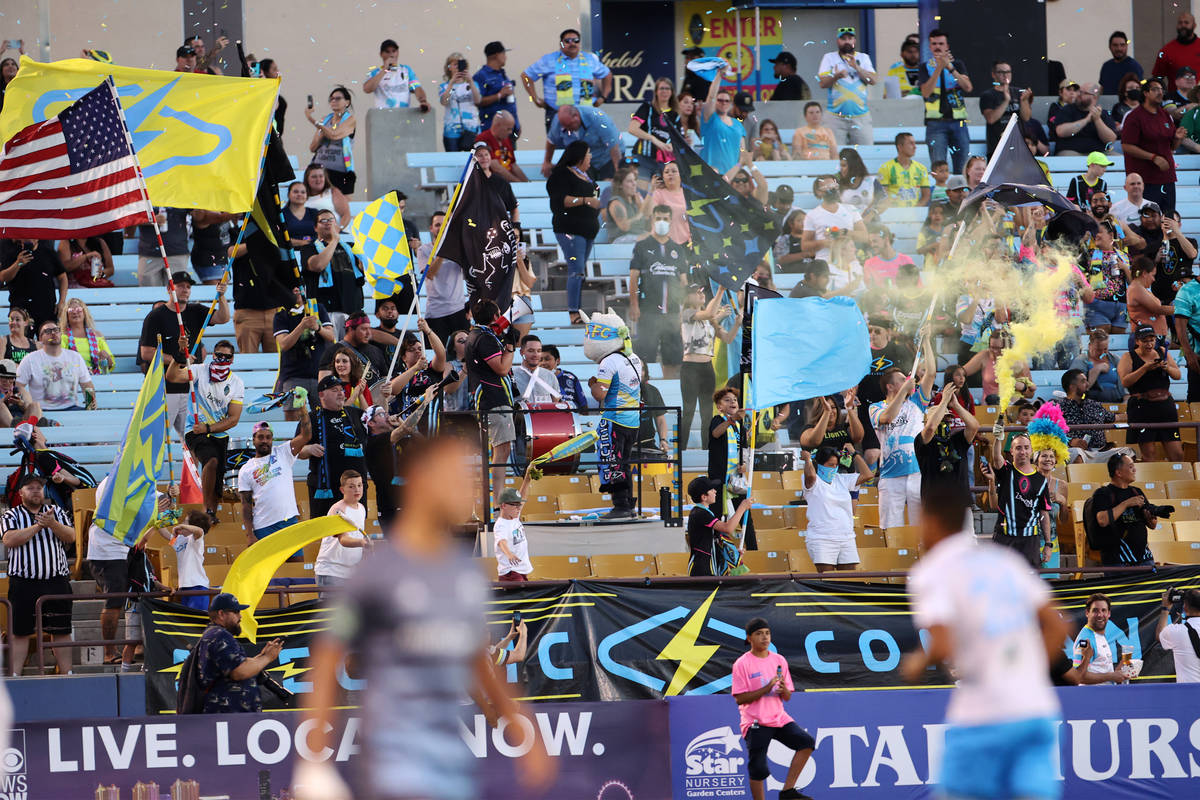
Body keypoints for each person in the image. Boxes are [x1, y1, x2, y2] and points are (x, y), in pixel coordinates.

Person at [292, 433, 554, 800]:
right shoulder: (376, 574)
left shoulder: (463, 574)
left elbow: (477, 657)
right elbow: (328, 658)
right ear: (423, 480)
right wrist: (315, 762)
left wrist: (518, 726)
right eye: (454, 477)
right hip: (392, 760)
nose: (465, 490)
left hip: (452, 761)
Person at [901, 481, 1066, 800]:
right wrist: (1024, 672)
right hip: (1036, 708)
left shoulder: (932, 571)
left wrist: (915, 662)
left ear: (932, 520)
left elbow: (942, 645)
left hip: (983, 713)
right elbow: (1058, 628)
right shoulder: (1004, 561)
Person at [732, 617, 815, 800]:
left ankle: (787, 792)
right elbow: (740, 699)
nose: (764, 637)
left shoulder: (779, 660)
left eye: (767, 633)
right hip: (755, 721)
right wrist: (766, 688)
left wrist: (784, 689)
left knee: (806, 742)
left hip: (778, 718)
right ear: (749, 638)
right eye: (759, 634)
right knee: (758, 769)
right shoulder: (742, 664)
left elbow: (787, 696)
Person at [3, 474, 75, 675]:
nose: (36, 490)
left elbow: (71, 536)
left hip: (56, 580)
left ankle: (67, 673)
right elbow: (9, 540)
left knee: (61, 630)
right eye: (30, 487)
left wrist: (52, 523)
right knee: (20, 632)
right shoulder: (12, 515)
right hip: (24, 582)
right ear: (21, 493)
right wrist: (38, 526)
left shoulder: (56, 512)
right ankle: (15, 674)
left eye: (39, 487)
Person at [138, 273, 222, 435]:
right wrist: (180, 360)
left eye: (188, 286)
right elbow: (146, 353)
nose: (185, 290)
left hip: (192, 388)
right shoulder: (156, 316)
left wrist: (222, 297)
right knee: (158, 437)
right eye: (181, 286)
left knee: (192, 439)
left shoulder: (196, 310)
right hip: (165, 389)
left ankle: (190, 461)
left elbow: (223, 317)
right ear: (170, 289)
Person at [870, 337, 935, 531]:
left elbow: (931, 374)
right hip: (890, 477)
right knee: (890, 527)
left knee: (920, 526)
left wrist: (927, 342)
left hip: (917, 472)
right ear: (890, 386)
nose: (909, 380)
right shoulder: (876, 407)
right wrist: (903, 391)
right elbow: (887, 418)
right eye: (902, 380)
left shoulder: (916, 401)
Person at [177, 340, 244, 520]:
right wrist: (179, 357)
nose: (221, 359)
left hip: (218, 433)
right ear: (213, 355)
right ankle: (206, 508)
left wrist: (209, 427)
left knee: (218, 477)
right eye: (218, 355)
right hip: (195, 430)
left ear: (232, 359)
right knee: (212, 461)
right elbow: (173, 376)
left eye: (226, 357)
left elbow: (233, 418)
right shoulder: (199, 369)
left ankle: (211, 513)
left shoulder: (237, 383)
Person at [192, 593, 284, 713]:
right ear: (221, 614)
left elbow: (234, 665)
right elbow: (239, 672)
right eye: (235, 612)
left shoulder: (215, 634)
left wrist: (261, 656)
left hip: (232, 717)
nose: (240, 616)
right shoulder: (219, 635)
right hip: (230, 717)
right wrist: (267, 658)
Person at [587, 319, 643, 520]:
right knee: (624, 462)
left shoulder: (609, 361)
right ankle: (629, 503)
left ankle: (621, 506)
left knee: (613, 463)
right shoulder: (634, 357)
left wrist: (592, 384)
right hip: (633, 421)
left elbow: (600, 395)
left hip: (615, 419)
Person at [465, 299, 516, 509]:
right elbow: (502, 368)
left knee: (499, 449)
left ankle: (497, 499)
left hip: (488, 398)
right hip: (493, 399)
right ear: (495, 316)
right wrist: (511, 346)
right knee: (501, 449)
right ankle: (498, 501)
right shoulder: (484, 338)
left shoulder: (477, 335)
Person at [237, 413, 313, 550]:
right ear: (253, 440)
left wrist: (302, 409)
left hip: (289, 523)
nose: (264, 441)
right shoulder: (246, 469)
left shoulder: (283, 453)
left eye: (268, 437)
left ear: (272, 439)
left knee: (296, 568)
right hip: (263, 527)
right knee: (270, 571)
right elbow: (246, 506)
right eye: (260, 437)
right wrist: (249, 535)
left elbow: (306, 436)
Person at [629, 205, 688, 379]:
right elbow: (633, 278)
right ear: (652, 219)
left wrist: (683, 309)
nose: (662, 222)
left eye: (665, 218)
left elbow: (684, 282)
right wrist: (634, 305)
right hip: (648, 310)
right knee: (645, 354)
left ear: (671, 220)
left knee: (673, 356)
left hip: (672, 312)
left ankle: (666, 388)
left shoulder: (678, 249)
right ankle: (646, 389)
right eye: (658, 218)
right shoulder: (642, 246)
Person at [983, 424, 1052, 568]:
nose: (1023, 451)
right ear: (1012, 451)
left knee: (1029, 582)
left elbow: (1044, 513)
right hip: (1004, 537)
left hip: (1030, 541)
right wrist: (998, 438)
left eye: (1026, 447)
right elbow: (996, 458)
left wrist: (1048, 544)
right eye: (1018, 448)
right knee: (1000, 581)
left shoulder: (1040, 480)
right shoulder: (1007, 470)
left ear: (1032, 450)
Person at [547, 141, 601, 321]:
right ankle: (573, 311)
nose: (591, 157)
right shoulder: (561, 174)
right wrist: (585, 200)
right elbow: (561, 200)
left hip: (588, 229)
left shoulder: (588, 174)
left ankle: (578, 309)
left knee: (580, 271)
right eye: (588, 154)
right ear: (579, 156)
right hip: (570, 228)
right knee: (576, 270)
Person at [801, 444, 872, 573]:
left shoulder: (841, 479)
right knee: (827, 579)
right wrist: (807, 460)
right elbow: (810, 476)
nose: (834, 468)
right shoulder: (813, 480)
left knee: (848, 581)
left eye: (836, 465)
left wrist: (854, 453)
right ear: (820, 464)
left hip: (846, 537)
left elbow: (868, 475)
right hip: (822, 539)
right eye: (830, 465)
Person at [522, 28, 612, 130]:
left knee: (585, 145)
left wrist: (603, 97)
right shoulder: (549, 60)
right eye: (567, 41)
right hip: (556, 113)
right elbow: (526, 76)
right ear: (561, 44)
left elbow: (607, 74)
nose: (572, 43)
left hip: (586, 113)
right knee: (557, 145)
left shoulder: (589, 59)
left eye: (576, 40)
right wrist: (535, 99)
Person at [681, 285, 738, 443]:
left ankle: (707, 449)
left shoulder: (710, 320)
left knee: (707, 413)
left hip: (707, 368)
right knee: (689, 412)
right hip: (690, 368)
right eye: (696, 292)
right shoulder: (687, 313)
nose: (701, 294)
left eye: (701, 292)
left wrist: (737, 324)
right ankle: (682, 451)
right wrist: (720, 291)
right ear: (687, 297)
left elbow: (727, 338)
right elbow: (708, 313)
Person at [1118, 324, 1183, 461]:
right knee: (1150, 454)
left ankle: (1172, 479)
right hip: (1142, 406)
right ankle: (1153, 482)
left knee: (1177, 453)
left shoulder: (1162, 351)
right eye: (1145, 341)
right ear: (1137, 341)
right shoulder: (1128, 356)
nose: (1149, 344)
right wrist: (1144, 368)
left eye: (1152, 340)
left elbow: (1177, 374)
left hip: (1165, 406)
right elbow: (1125, 381)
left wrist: (1167, 368)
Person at [307, 375, 369, 519]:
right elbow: (299, 451)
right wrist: (309, 449)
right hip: (326, 489)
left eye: (342, 389)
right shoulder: (312, 418)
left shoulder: (355, 414)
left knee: (355, 534)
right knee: (326, 536)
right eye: (335, 390)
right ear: (321, 394)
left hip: (356, 488)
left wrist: (384, 397)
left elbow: (377, 422)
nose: (341, 393)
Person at [1122, 77, 1186, 215]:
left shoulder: (1165, 115)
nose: (1160, 93)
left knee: (1168, 218)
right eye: (1155, 89)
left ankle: (1168, 238)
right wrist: (1153, 157)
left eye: (1162, 90)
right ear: (1145, 93)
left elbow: (1171, 148)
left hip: (1167, 177)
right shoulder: (1134, 116)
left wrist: (1177, 138)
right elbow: (1126, 146)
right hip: (1145, 179)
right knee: (1148, 219)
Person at [275, 288, 336, 420]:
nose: (296, 289)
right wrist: (301, 326)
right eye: (292, 287)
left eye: (299, 286)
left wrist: (318, 327)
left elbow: (331, 336)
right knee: (293, 421)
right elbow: (284, 344)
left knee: (324, 419)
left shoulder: (317, 308)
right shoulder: (282, 314)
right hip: (293, 375)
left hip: (319, 374)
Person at [919, 29, 973, 173]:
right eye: (934, 44)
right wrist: (939, 68)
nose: (938, 47)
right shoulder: (924, 67)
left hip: (958, 121)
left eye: (941, 43)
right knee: (939, 168)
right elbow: (925, 92)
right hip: (935, 123)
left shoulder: (958, 64)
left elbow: (967, 87)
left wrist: (949, 67)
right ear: (930, 47)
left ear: (947, 46)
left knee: (962, 168)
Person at [801, 175, 867, 291]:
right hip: (824, 266)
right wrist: (824, 243)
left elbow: (864, 236)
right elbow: (804, 246)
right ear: (818, 192)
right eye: (827, 186)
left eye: (834, 185)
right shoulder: (812, 215)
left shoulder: (851, 209)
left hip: (849, 263)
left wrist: (846, 233)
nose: (832, 189)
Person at [815, 25, 876, 147]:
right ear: (838, 41)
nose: (847, 41)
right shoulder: (829, 57)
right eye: (843, 39)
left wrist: (857, 67)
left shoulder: (863, 58)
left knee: (866, 153)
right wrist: (836, 76)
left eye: (850, 38)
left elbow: (873, 80)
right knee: (834, 154)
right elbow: (822, 83)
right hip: (835, 117)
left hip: (861, 116)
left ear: (854, 41)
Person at [16, 319, 93, 412]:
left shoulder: (75, 357)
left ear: (60, 334)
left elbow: (87, 385)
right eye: (47, 331)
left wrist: (91, 403)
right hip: (42, 411)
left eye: (56, 330)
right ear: (40, 338)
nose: (53, 333)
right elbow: (18, 385)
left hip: (72, 409)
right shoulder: (30, 359)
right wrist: (27, 405)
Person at [915, 385, 980, 495]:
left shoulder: (957, 440)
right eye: (941, 419)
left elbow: (974, 427)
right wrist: (944, 401)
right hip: (935, 503)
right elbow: (931, 428)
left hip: (960, 503)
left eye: (947, 419)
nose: (945, 422)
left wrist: (956, 405)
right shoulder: (922, 441)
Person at [315, 469, 370, 594]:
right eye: (351, 486)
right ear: (342, 490)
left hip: (350, 574)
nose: (357, 489)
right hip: (331, 572)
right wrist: (362, 542)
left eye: (359, 485)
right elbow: (343, 539)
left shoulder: (361, 508)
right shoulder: (338, 509)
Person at [302, 209, 364, 320]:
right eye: (323, 220)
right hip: (325, 310)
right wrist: (334, 240)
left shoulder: (351, 247)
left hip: (353, 309)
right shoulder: (309, 248)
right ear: (316, 228)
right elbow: (317, 266)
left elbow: (365, 269)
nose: (328, 222)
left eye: (331, 219)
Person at [0, 239, 68, 330]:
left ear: (38, 238)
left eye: (32, 236)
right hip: (21, 309)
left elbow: (62, 277)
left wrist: (62, 302)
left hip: (47, 307)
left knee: (48, 340)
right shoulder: (12, 254)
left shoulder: (49, 252)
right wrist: (18, 263)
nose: (29, 238)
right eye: (26, 236)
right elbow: (3, 278)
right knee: (22, 342)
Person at [1071, 593, 1133, 684]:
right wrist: (1111, 676)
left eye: (1103, 610)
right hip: (1092, 697)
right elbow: (1078, 677)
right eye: (1095, 611)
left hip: (1104, 695)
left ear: (1109, 614)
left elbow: (1100, 670)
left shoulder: (1099, 634)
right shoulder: (1085, 639)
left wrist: (1119, 670)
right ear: (1087, 613)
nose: (1100, 615)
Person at [305, 86, 356, 195]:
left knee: (340, 204)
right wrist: (322, 131)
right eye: (331, 99)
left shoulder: (350, 119)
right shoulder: (325, 119)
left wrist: (312, 120)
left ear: (347, 102)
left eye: (338, 98)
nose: (334, 101)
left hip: (340, 172)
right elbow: (313, 147)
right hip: (320, 169)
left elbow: (334, 135)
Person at [628, 77, 681, 180]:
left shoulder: (675, 115)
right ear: (656, 91)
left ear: (672, 92)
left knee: (660, 192)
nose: (664, 91)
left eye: (667, 88)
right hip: (642, 157)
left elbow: (678, 139)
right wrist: (653, 139)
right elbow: (632, 128)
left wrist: (671, 145)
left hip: (664, 162)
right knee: (643, 191)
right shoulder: (647, 107)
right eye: (661, 88)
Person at [160, 510, 213, 612]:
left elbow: (200, 531)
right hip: (184, 587)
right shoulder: (180, 540)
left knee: (197, 620)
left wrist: (181, 527)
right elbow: (164, 532)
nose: (183, 524)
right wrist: (159, 518)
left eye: (186, 522)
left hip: (197, 587)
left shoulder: (195, 540)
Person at [979, 61, 1033, 157]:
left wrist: (1024, 101)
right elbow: (991, 119)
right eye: (1001, 72)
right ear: (993, 74)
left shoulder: (1018, 92)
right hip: (997, 147)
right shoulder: (988, 95)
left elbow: (1026, 117)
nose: (1005, 75)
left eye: (1008, 72)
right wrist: (1006, 101)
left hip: (1018, 145)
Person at [1050, 82, 1117, 156]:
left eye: (1083, 93)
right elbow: (1060, 132)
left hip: (1099, 153)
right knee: (1072, 159)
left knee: (1118, 159)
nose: (1078, 94)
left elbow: (1110, 140)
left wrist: (1097, 120)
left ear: (1094, 97)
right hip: (1071, 151)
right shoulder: (1067, 110)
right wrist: (1086, 120)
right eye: (1079, 91)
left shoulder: (1104, 114)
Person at [363, 38, 429, 111]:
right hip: (383, 117)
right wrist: (384, 70)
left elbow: (416, 88)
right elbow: (367, 89)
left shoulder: (406, 70)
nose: (391, 54)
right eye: (387, 52)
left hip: (403, 116)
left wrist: (423, 101)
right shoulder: (375, 72)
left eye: (394, 51)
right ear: (381, 54)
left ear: (398, 53)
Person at [699, 78, 747, 176]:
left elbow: (742, 149)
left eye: (727, 101)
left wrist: (738, 167)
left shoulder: (738, 124)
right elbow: (711, 97)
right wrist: (719, 75)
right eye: (720, 100)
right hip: (711, 173)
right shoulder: (710, 118)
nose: (723, 102)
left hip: (732, 175)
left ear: (730, 104)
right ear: (715, 102)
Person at [57, 298, 113, 375]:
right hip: (73, 378)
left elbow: (111, 365)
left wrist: (106, 357)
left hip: (97, 377)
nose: (75, 312)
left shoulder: (97, 336)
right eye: (70, 310)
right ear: (66, 315)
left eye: (78, 309)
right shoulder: (62, 337)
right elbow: (58, 363)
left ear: (84, 312)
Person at [438, 52, 481, 152]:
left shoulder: (473, 84)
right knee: (453, 160)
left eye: (460, 64)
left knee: (472, 160)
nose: (458, 67)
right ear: (449, 67)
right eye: (455, 64)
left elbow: (478, 100)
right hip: (452, 130)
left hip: (471, 128)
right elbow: (444, 102)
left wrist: (470, 82)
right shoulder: (444, 86)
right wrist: (451, 83)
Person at [475, 41, 520, 133]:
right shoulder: (481, 76)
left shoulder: (502, 74)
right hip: (492, 129)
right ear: (496, 55)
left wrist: (517, 124)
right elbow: (477, 101)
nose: (505, 57)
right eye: (503, 53)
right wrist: (499, 95)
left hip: (510, 129)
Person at [1067, 330, 1125, 402]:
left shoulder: (1115, 359)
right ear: (1089, 346)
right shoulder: (1081, 361)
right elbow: (1077, 389)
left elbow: (1125, 385)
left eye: (1105, 349)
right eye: (1098, 350)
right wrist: (1096, 370)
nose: (1102, 353)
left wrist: (1125, 400)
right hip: (1090, 403)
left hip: (1116, 401)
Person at [1157, 588, 1200, 683]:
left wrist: (1165, 608)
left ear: (1185, 607)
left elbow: (1160, 635)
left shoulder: (1178, 631)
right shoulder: (1180, 630)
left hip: (1189, 692)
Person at [877, 132, 930, 208]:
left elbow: (926, 196)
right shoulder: (885, 167)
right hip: (892, 214)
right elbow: (882, 194)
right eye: (911, 143)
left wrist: (916, 209)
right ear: (900, 147)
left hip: (914, 215)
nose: (915, 147)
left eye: (915, 143)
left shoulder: (921, 168)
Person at [473, 110, 527, 182]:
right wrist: (517, 182)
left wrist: (527, 183)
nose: (510, 132)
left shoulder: (505, 139)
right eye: (508, 129)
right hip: (493, 183)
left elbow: (513, 165)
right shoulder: (483, 138)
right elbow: (496, 167)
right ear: (497, 125)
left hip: (508, 183)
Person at [1153, 12, 1200, 94]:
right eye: (1180, 23)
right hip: (1175, 102)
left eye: (1186, 22)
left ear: (1194, 25)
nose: (1183, 25)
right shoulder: (1166, 50)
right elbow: (1158, 78)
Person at [493, 487, 533, 582]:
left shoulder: (514, 516)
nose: (518, 508)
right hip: (510, 572)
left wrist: (527, 479)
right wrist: (509, 554)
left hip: (521, 570)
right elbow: (501, 542)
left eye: (519, 505)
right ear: (503, 506)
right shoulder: (501, 525)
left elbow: (522, 495)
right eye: (515, 505)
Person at [510, 334, 561, 407]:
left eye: (539, 351)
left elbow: (555, 402)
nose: (535, 355)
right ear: (522, 352)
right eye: (531, 351)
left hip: (546, 417)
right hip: (522, 417)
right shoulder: (512, 376)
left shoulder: (550, 375)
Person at [1174, 265, 1200, 402]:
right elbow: (1180, 326)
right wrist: (1189, 354)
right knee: (1196, 402)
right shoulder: (1187, 291)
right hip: (1197, 356)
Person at [603, 166, 647, 244]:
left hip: (637, 236)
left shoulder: (635, 201)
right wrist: (640, 212)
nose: (634, 184)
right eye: (630, 181)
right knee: (649, 240)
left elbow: (647, 224)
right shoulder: (616, 202)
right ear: (620, 185)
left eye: (634, 180)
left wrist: (641, 205)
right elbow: (624, 227)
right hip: (620, 240)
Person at [302, 164, 351, 231]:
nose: (318, 179)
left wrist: (339, 228)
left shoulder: (332, 192)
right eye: (314, 177)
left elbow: (346, 214)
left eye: (321, 176)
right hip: (309, 235)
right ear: (307, 179)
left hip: (334, 233)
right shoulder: (301, 195)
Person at [539, 344, 586, 410]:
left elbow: (583, 405)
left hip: (572, 417)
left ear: (557, 360)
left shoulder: (571, 378)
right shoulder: (535, 379)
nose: (543, 363)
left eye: (547, 359)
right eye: (540, 360)